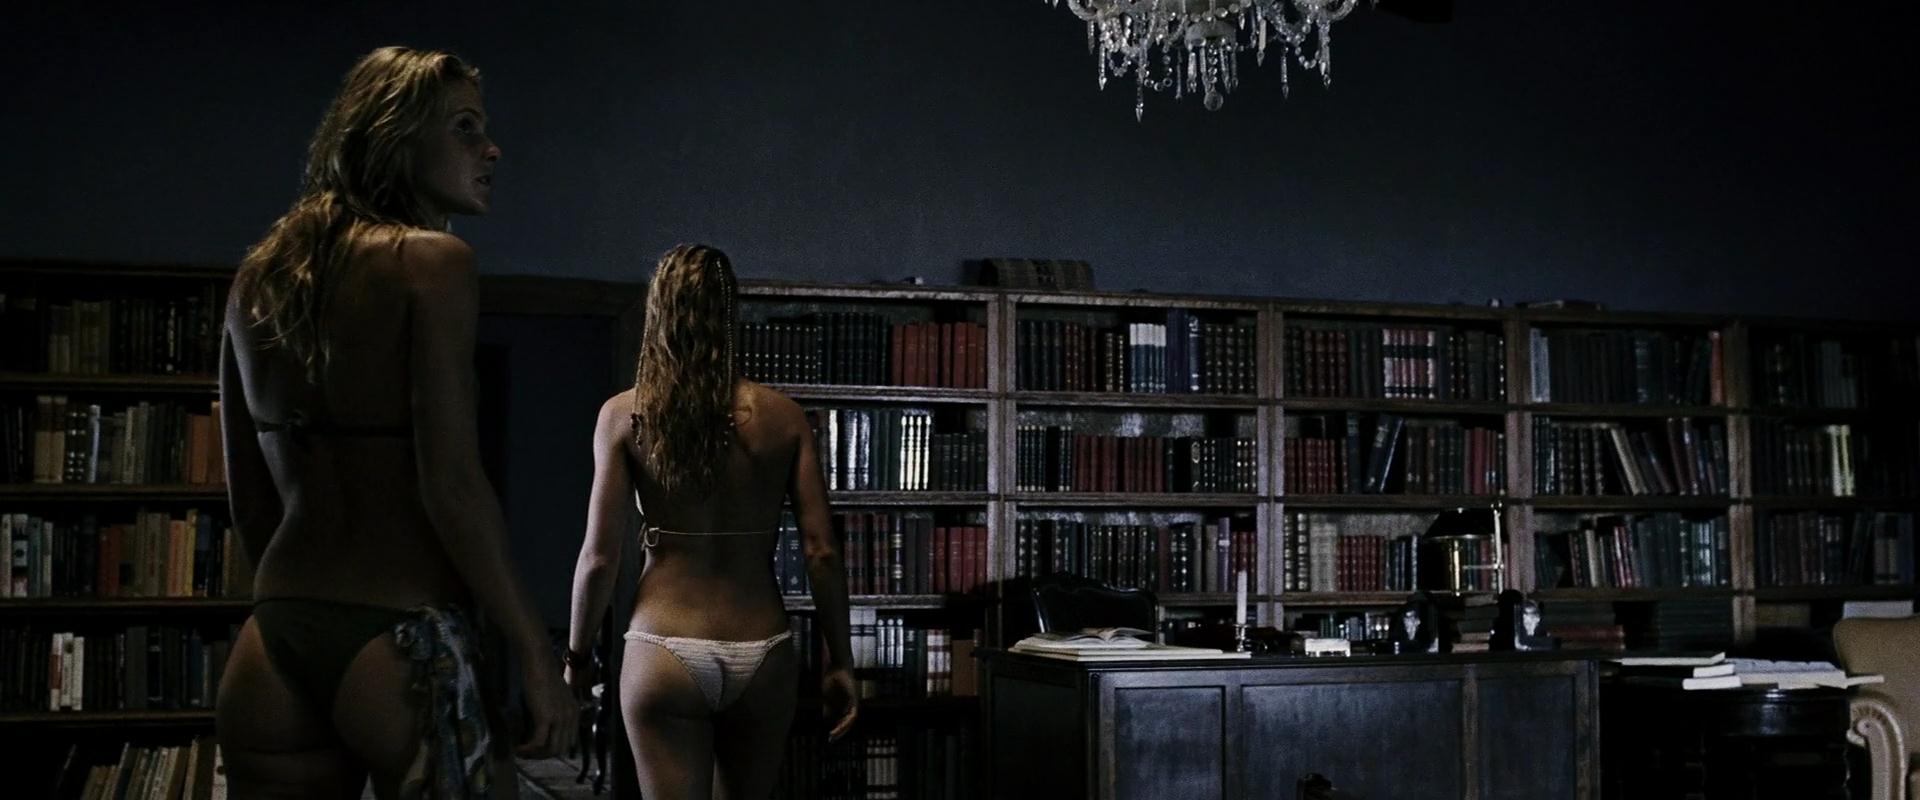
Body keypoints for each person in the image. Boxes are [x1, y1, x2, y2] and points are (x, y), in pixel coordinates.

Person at [217, 46, 574, 797]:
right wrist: (534, 652)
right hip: (401, 638)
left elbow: (249, 496)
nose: (491, 148)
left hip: (273, 641)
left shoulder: (258, 273)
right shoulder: (434, 263)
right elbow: (453, 485)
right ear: (395, 137)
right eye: (465, 127)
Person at [566, 244, 858, 799]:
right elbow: (822, 551)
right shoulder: (784, 417)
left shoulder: (624, 416)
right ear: (731, 312)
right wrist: (840, 661)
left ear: (659, 312)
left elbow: (599, 559)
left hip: (663, 647)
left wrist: (577, 658)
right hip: (762, 647)